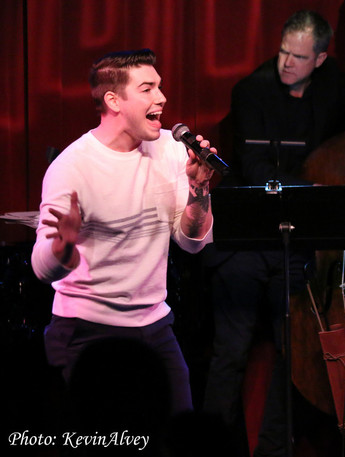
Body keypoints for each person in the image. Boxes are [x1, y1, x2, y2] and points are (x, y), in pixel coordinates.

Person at [201, 10, 345, 457]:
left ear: (321, 58)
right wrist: (319, 189)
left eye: (298, 57)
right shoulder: (252, 91)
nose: (286, 63)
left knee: (294, 358)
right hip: (246, 245)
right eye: (283, 52)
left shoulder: (337, 89)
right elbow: (258, 170)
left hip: (300, 251)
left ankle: (274, 451)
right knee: (230, 355)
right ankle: (215, 450)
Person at [31, 48, 215, 417]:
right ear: (114, 101)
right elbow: (41, 267)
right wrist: (63, 250)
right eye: (147, 88)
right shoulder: (73, 167)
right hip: (85, 330)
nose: (161, 98)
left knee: (178, 434)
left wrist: (200, 190)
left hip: (154, 326)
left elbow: (192, 243)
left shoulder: (171, 149)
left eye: (159, 87)